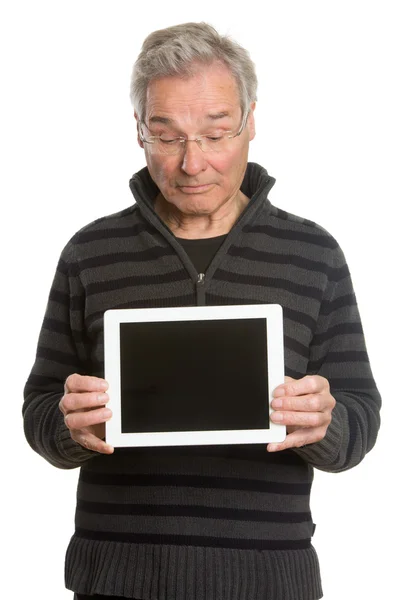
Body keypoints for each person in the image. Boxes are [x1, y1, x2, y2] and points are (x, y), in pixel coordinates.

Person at [23, 22, 381, 600]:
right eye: (167, 137)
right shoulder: (90, 252)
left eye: (216, 135)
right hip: (116, 579)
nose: (193, 164)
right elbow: (39, 408)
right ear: (138, 131)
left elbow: (360, 419)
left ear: (250, 123)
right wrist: (69, 427)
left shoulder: (314, 254)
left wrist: (324, 423)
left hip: (268, 582)